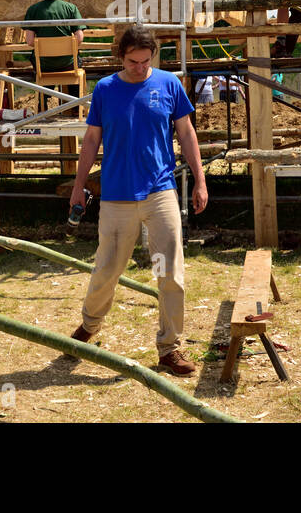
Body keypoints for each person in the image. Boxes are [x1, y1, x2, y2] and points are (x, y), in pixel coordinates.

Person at [68, 25, 209, 377]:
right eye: (133, 61)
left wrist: (200, 179)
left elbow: (187, 133)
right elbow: (90, 141)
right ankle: (89, 325)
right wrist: (78, 186)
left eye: (146, 61)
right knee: (107, 269)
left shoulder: (168, 84)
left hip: (160, 192)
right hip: (116, 194)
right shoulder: (105, 90)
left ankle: (170, 348)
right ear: (121, 56)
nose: (140, 68)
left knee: (169, 272)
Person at [23, 0, 85, 75]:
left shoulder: (33, 9)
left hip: (43, 64)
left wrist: (48, 49)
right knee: (77, 63)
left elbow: (30, 41)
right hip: (68, 63)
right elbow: (79, 38)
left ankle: (45, 90)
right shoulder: (71, 8)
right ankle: (73, 91)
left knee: (41, 68)